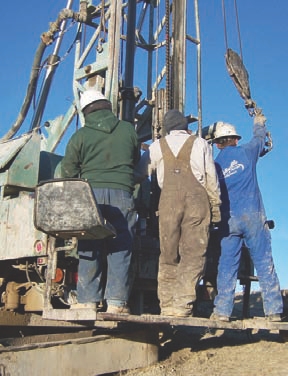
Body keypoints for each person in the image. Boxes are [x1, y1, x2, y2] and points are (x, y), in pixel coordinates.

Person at [135, 109, 221, 317]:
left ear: (166, 128)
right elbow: (211, 177)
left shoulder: (157, 146)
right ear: (185, 126)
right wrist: (215, 205)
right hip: (196, 201)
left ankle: (167, 305)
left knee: (168, 254)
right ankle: (183, 305)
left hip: (169, 203)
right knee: (193, 254)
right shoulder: (200, 143)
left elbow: (139, 174)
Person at [61, 88, 139, 314]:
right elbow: (134, 160)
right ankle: (116, 303)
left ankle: (88, 300)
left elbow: (68, 170)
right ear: (108, 106)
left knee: (90, 245)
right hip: (122, 194)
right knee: (121, 247)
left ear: (86, 111)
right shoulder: (128, 130)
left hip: (91, 195)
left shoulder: (80, 136)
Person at [210, 113, 283, 322]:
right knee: (263, 261)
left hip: (228, 220)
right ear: (234, 139)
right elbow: (260, 140)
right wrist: (258, 123)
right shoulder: (246, 152)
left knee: (226, 265)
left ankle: (222, 311)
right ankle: (274, 311)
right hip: (253, 216)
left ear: (216, 144)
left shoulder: (214, 165)